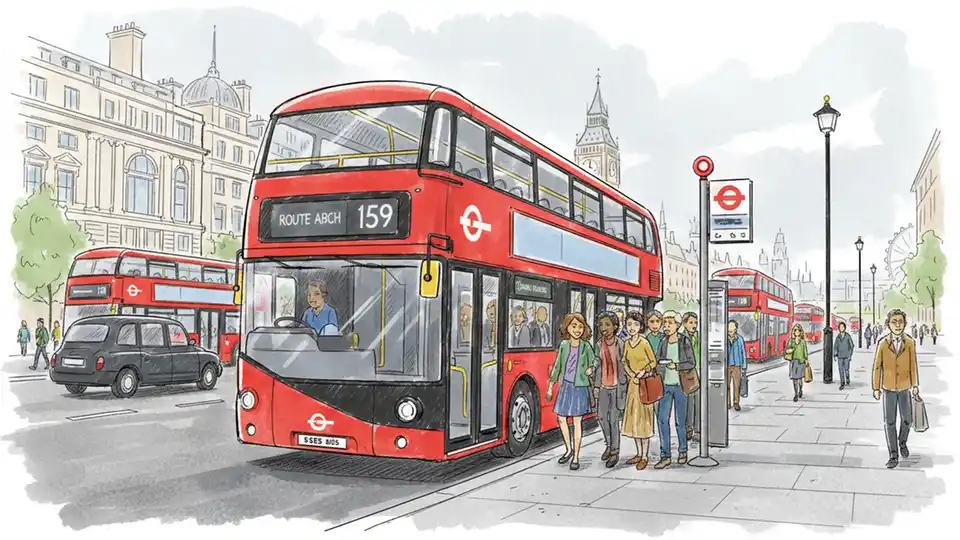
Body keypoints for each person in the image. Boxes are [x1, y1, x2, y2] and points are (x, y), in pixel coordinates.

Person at [546, 313, 596, 471]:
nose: (577, 330)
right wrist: (550, 386)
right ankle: (568, 449)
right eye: (574, 326)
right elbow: (557, 366)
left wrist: (591, 368)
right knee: (561, 419)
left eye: (580, 327)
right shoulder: (564, 345)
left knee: (576, 422)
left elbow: (595, 360)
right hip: (566, 386)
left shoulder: (586, 346)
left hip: (580, 387)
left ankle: (576, 456)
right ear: (567, 327)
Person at [872, 309, 919, 469]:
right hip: (889, 388)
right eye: (894, 322)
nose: (898, 325)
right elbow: (877, 367)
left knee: (907, 419)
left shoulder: (910, 343)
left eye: (900, 322)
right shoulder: (883, 344)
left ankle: (902, 442)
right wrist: (876, 388)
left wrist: (915, 385)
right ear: (888, 324)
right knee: (890, 422)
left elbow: (913, 365)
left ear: (905, 324)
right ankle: (893, 454)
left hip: (905, 387)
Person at [654, 311, 696, 469]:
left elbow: (691, 363)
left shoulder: (684, 341)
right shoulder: (662, 342)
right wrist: (660, 366)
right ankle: (665, 455)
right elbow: (657, 361)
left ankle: (683, 450)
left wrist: (676, 366)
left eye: (669, 324)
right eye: (664, 324)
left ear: (677, 325)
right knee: (662, 420)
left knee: (680, 421)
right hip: (665, 386)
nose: (666, 327)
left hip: (681, 385)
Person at [622, 311, 658, 470]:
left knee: (644, 421)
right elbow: (624, 362)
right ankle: (638, 453)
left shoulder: (644, 343)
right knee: (634, 421)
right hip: (633, 385)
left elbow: (653, 362)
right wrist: (631, 375)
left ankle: (645, 456)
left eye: (635, 325)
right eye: (629, 324)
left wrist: (642, 372)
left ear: (640, 327)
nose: (632, 328)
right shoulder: (626, 344)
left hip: (644, 385)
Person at [591, 311, 627, 468]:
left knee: (613, 420)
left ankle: (615, 451)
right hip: (604, 386)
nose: (603, 328)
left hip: (617, 387)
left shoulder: (620, 343)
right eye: (601, 325)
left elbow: (625, 364)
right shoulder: (599, 344)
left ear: (615, 326)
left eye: (607, 325)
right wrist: (596, 385)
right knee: (601, 418)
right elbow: (597, 362)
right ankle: (609, 444)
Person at [681, 312, 701, 442]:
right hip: (686, 374)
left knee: (698, 403)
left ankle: (697, 430)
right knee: (688, 404)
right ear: (684, 323)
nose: (693, 325)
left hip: (698, 372)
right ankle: (688, 429)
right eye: (691, 322)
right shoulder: (681, 337)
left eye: (695, 323)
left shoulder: (698, 336)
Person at [785, 323, 809, 402]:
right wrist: (791, 349)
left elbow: (805, 352)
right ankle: (796, 394)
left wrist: (806, 360)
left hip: (801, 362)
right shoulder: (791, 341)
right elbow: (787, 350)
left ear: (801, 332)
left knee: (799, 379)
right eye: (795, 330)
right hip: (793, 362)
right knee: (794, 379)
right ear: (793, 332)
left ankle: (800, 390)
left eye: (798, 330)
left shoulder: (803, 342)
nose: (797, 332)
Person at [726, 320, 747, 410]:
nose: (730, 330)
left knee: (736, 385)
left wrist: (744, 366)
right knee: (726, 385)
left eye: (732, 328)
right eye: (729, 328)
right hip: (726, 365)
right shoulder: (724, 339)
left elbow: (743, 353)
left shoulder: (740, 339)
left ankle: (736, 403)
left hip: (737, 365)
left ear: (736, 329)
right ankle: (727, 402)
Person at [834, 322, 855, 390]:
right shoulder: (838, 337)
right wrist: (835, 354)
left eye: (842, 327)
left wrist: (850, 355)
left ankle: (847, 378)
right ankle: (842, 383)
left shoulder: (848, 336)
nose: (841, 328)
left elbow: (852, 345)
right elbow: (835, 346)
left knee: (846, 369)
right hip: (840, 356)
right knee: (840, 370)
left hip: (846, 356)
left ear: (845, 328)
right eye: (840, 327)